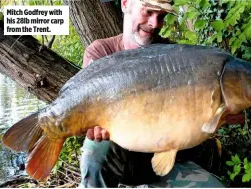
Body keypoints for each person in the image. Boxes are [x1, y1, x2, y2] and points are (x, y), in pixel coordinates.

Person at [79, 0, 242, 187]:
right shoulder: (101, 52)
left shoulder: (176, 56)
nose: (155, 23)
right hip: (120, 162)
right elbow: (85, 112)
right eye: (148, 12)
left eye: (162, 16)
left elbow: (195, 119)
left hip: (170, 162)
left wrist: (222, 112)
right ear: (125, 3)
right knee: (97, 146)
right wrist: (90, 124)